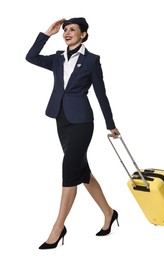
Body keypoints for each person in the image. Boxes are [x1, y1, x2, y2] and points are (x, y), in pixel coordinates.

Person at [26, 17, 120, 250]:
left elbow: (101, 94)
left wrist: (110, 124)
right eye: (65, 30)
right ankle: (109, 213)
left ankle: (58, 228)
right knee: (82, 171)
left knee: (69, 170)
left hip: (82, 122)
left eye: (73, 29)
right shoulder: (58, 59)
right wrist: (47, 33)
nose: (67, 32)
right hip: (62, 120)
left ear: (84, 34)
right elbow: (31, 57)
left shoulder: (91, 61)